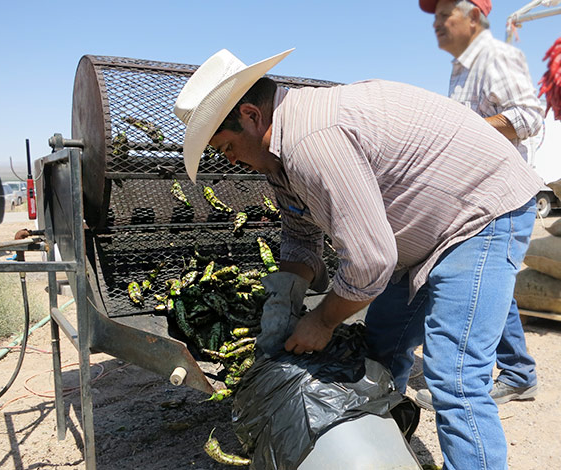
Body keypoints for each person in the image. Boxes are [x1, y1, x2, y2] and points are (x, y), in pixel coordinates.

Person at [173, 48, 543, 470]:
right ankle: (380, 448)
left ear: (251, 115)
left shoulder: (312, 140)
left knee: (454, 376)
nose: (231, 160)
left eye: (227, 147)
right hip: (422, 236)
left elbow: (369, 263)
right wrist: (285, 293)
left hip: (479, 215)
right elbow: (300, 234)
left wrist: (323, 320)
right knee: (382, 347)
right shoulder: (279, 159)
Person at [415, 0, 544, 411]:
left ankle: (469, 385)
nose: (435, 23)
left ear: (474, 17)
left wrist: (459, 135)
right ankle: (519, 373)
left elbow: (527, 116)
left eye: (443, 14)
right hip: (480, 200)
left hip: (500, 200)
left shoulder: (494, 55)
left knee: (474, 286)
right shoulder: (463, 67)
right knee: (491, 288)